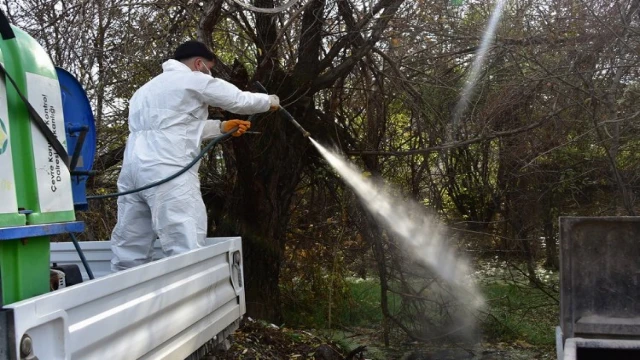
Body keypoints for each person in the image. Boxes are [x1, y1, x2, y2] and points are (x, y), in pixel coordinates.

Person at [110, 40, 279, 271]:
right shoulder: (192, 78)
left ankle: (123, 298)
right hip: (168, 172)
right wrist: (268, 101)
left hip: (133, 174)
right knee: (185, 244)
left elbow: (173, 128)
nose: (210, 73)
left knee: (130, 247)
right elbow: (239, 100)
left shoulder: (144, 90)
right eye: (210, 68)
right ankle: (188, 302)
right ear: (199, 63)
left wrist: (221, 127)